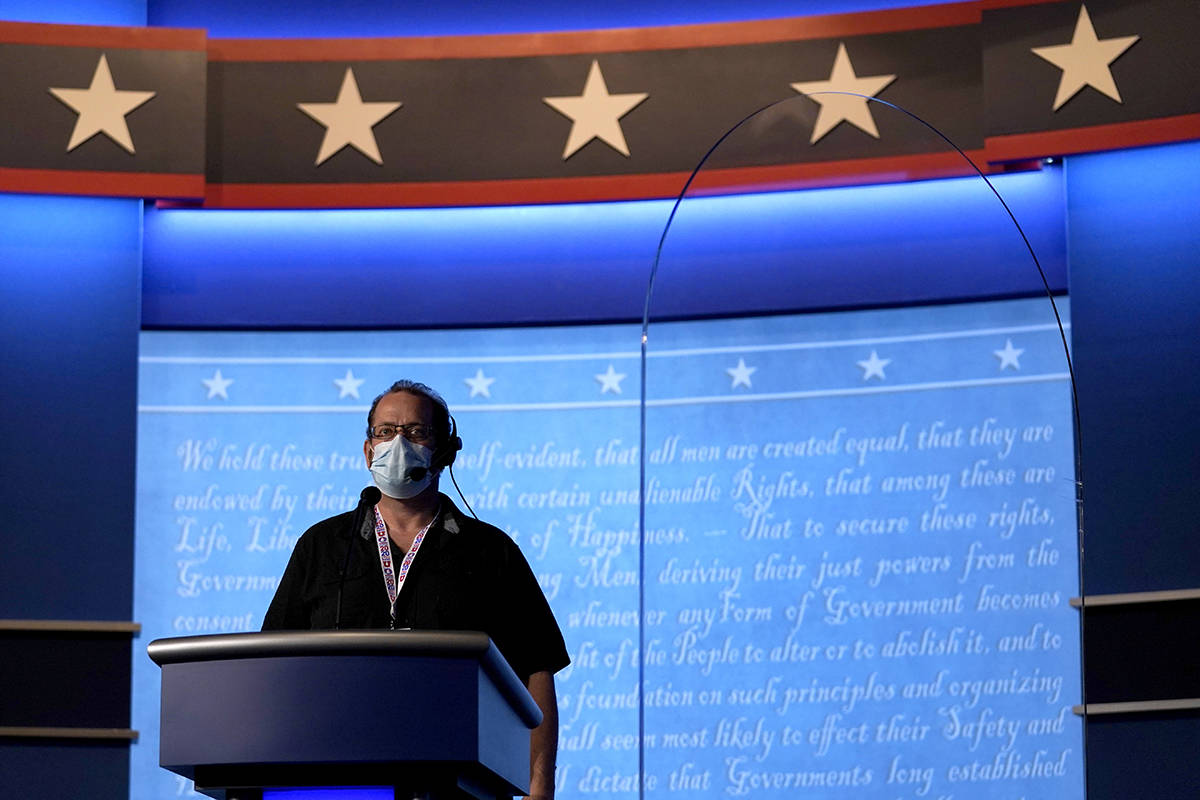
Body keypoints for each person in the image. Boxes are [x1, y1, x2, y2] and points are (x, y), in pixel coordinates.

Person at [263, 379, 569, 800]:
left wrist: (540, 789)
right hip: (337, 781)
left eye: (416, 431)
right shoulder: (320, 545)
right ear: (368, 451)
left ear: (443, 451)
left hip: (461, 783)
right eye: (385, 431)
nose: (398, 442)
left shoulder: (490, 551)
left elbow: (538, 669)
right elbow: (272, 667)